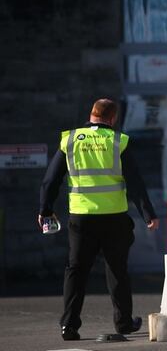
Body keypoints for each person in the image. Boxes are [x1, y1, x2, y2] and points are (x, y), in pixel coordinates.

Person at [38, 98, 159, 341]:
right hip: (114, 217)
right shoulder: (118, 141)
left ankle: (69, 326)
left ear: (91, 114)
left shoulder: (71, 140)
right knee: (117, 270)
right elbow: (135, 182)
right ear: (113, 118)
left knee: (76, 270)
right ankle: (124, 323)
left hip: (81, 218)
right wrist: (148, 214)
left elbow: (51, 180)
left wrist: (45, 209)